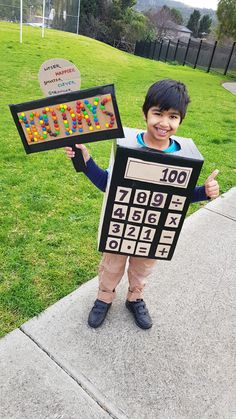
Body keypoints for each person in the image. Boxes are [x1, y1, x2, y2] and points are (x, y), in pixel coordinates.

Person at [65, 79, 219, 330]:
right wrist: (86, 161)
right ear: (145, 112)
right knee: (112, 264)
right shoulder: (129, 147)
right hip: (121, 224)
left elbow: (179, 195)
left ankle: (135, 298)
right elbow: (108, 184)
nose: (164, 123)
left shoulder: (179, 157)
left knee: (143, 267)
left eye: (173, 117)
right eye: (158, 113)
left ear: (181, 120)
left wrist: (204, 191)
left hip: (153, 231)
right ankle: (104, 297)